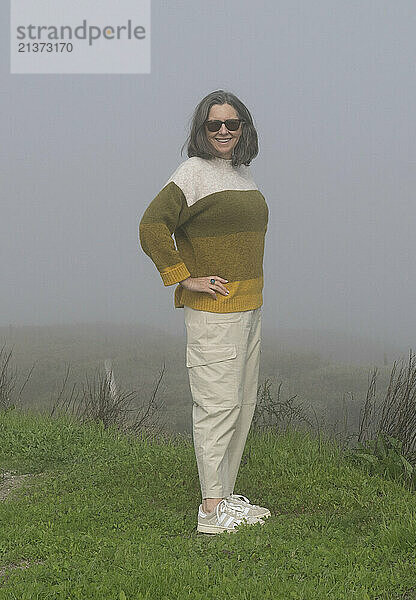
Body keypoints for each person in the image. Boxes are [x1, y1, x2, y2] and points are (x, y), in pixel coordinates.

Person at [139, 90, 270, 535]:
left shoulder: (242, 175)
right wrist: (182, 276)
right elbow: (152, 225)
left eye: (231, 125)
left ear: (243, 129)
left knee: (242, 404)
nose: (223, 132)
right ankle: (211, 511)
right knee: (216, 406)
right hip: (215, 312)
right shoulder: (192, 173)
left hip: (249, 309)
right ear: (201, 130)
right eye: (213, 125)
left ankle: (226, 496)